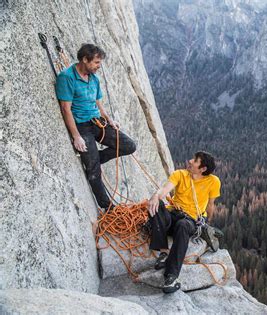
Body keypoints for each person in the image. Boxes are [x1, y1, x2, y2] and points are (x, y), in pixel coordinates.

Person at [55, 44, 136, 210]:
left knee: (129, 145)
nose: (99, 66)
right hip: (82, 126)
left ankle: (94, 158)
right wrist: (76, 136)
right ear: (85, 59)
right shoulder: (67, 77)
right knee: (93, 172)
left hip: (97, 122)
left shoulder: (94, 78)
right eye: (97, 62)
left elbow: (98, 102)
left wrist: (109, 119)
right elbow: (65, 108)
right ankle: (108, 207)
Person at [148, 151, 221, 293]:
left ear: (203, 169)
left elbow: (211, 204)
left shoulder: (213, 181)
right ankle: (163, 252)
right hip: (174, 214)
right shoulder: (180, 174)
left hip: (191, 220)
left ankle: (171, 276)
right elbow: (165, 190)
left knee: (183, 226)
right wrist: (156, 196)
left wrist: (207, 222)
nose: (190, 161)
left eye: (195, 160)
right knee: (156, 207)